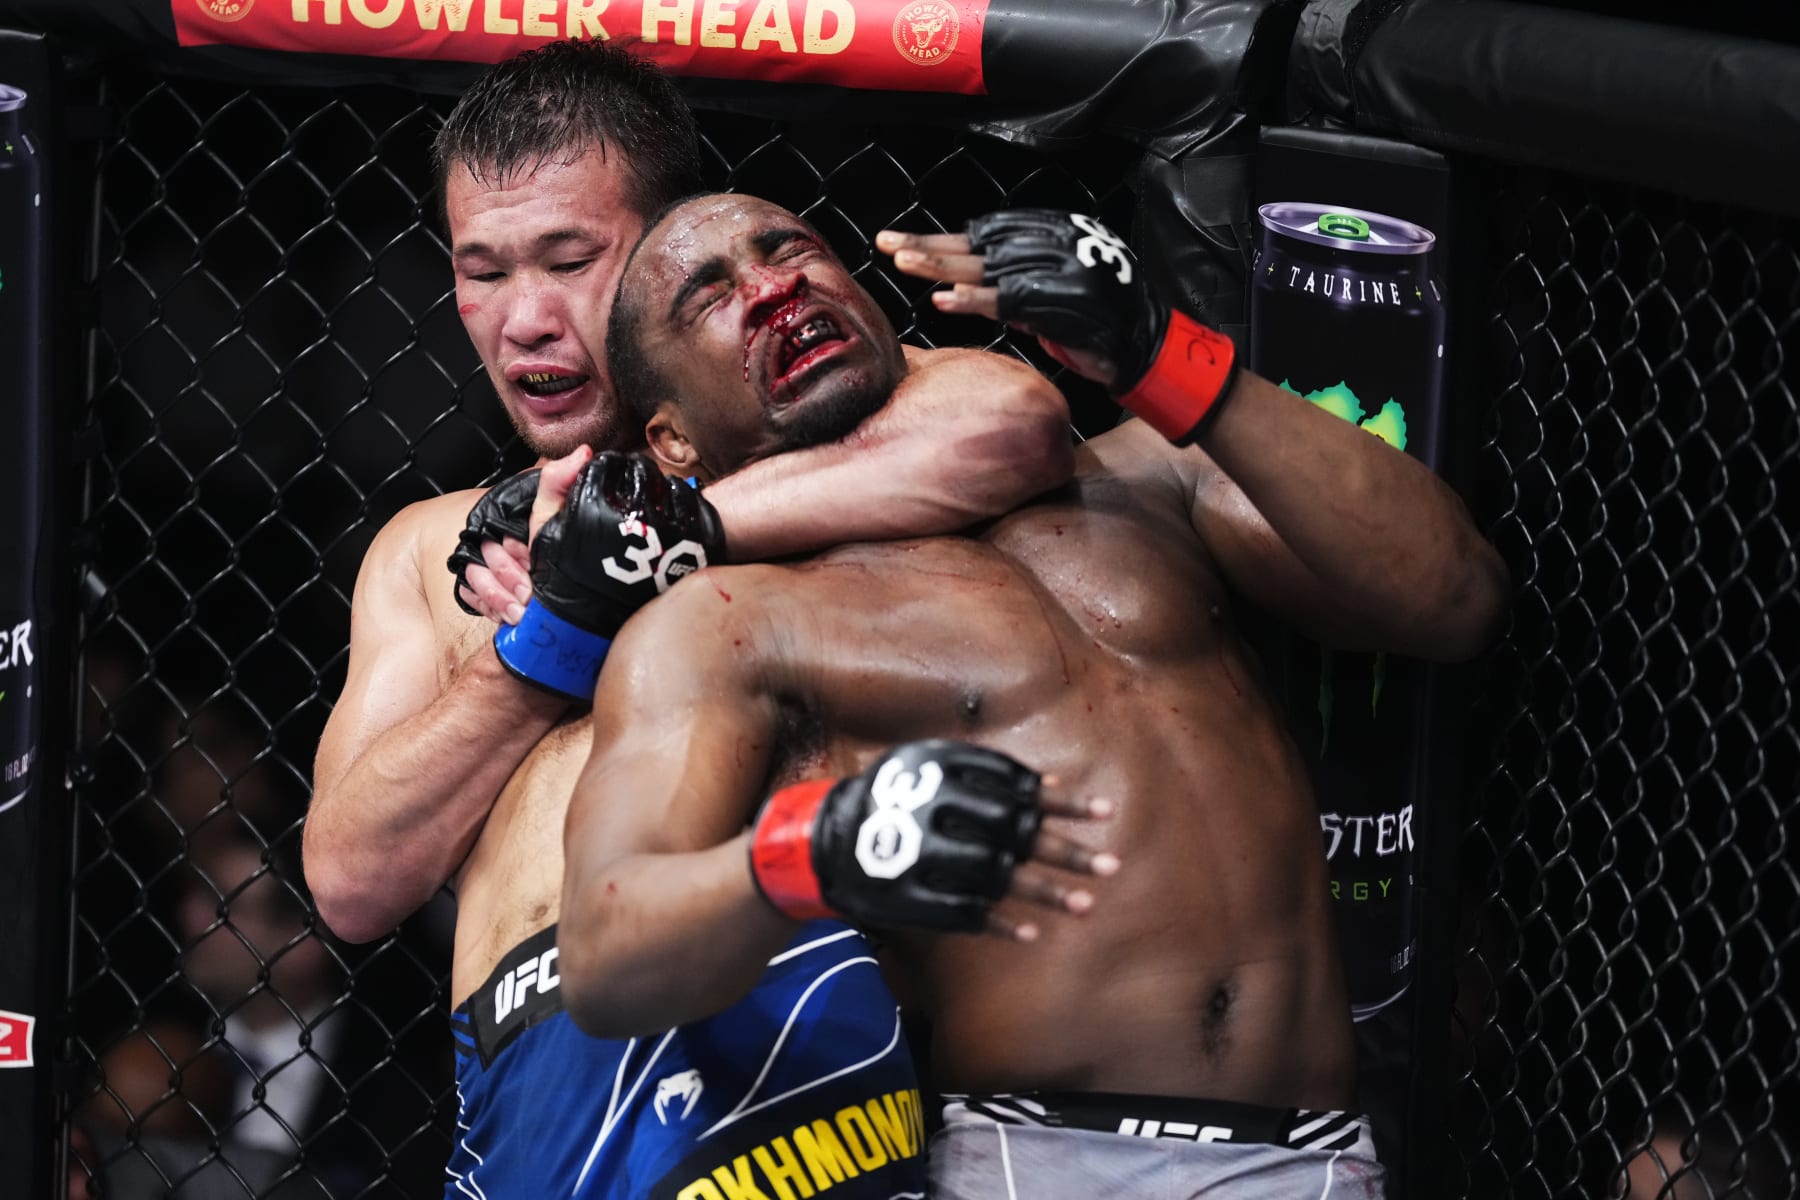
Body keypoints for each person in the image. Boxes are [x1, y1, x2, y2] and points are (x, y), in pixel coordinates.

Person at [547, 193, 1512, 1198]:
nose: (770, 284)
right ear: (670, 444)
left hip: (1320, 1156)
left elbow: (1455, 597)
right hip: (1044, 1161)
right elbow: (609, 954)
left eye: (786, 246)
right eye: (709, 295)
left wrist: (1162, 356)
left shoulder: (1140, 477)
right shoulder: (731, 622)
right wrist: (815, 846)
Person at [301, 40, 1075, 1199]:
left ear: (674, 239)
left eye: (570, 259)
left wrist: (668, 530)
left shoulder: (818, 436)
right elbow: (352, 879)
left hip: (810, 992)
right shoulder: (430, 547)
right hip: (541, 1064)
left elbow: (1011, 421)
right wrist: (553, 634)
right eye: (483, 270)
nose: (524, 321)